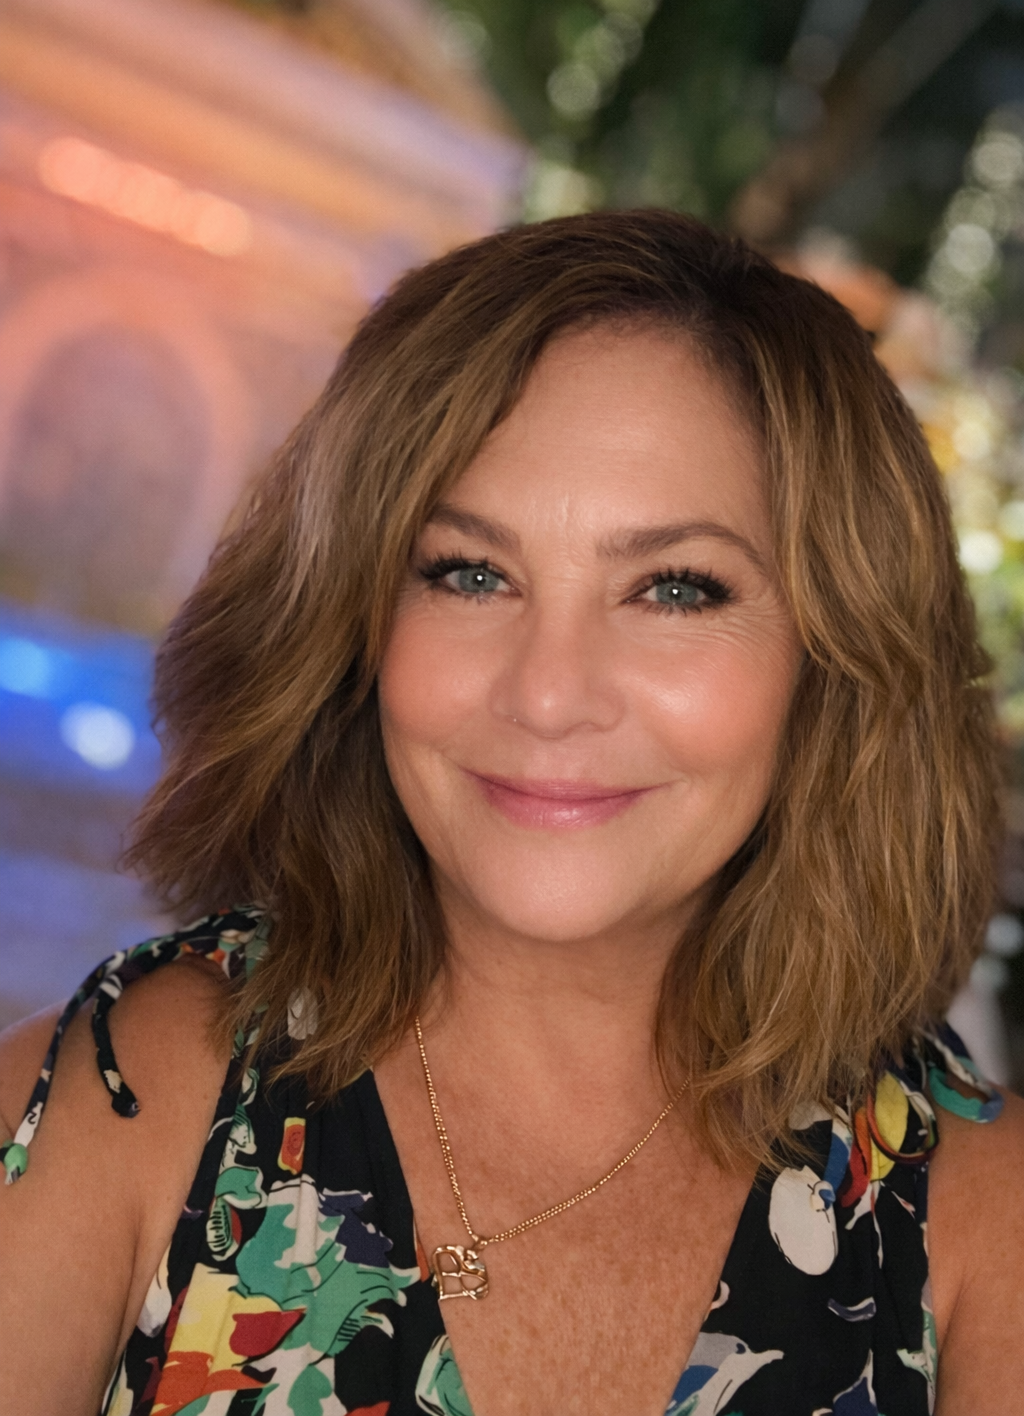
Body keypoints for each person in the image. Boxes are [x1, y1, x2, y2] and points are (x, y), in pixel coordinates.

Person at [0, 211, 1021, 1416]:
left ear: (834, 658)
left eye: (675, 589)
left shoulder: (977, 1228)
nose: (546, 693)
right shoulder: (117, 1109)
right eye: (469, 572)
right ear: (355, 616)